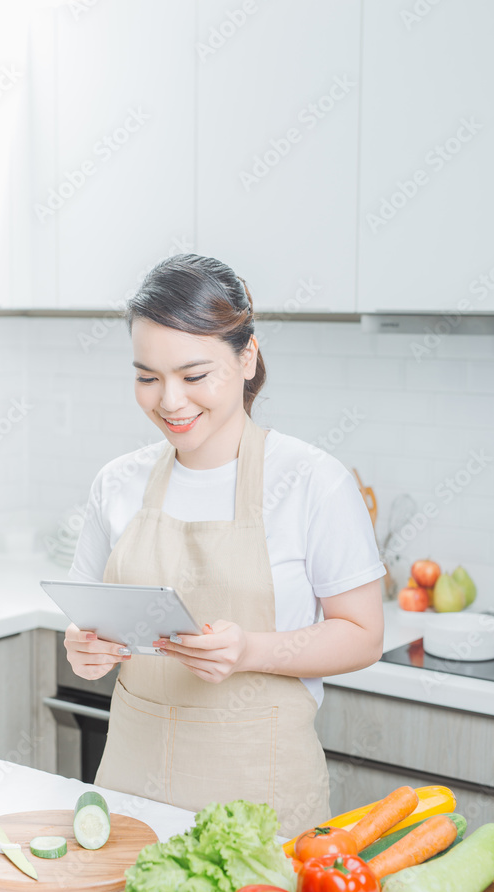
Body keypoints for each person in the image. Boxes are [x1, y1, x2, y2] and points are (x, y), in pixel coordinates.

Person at [65, 253, 385, 837]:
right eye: (146, 376)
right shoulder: (118, 482)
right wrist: (82, 650)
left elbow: (364, 635)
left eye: (193, 376)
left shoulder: (313, 482)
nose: (169, 401)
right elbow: (88, 619)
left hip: (263, 812)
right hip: (132, 799)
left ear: (247, 357)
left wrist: (251, 651)